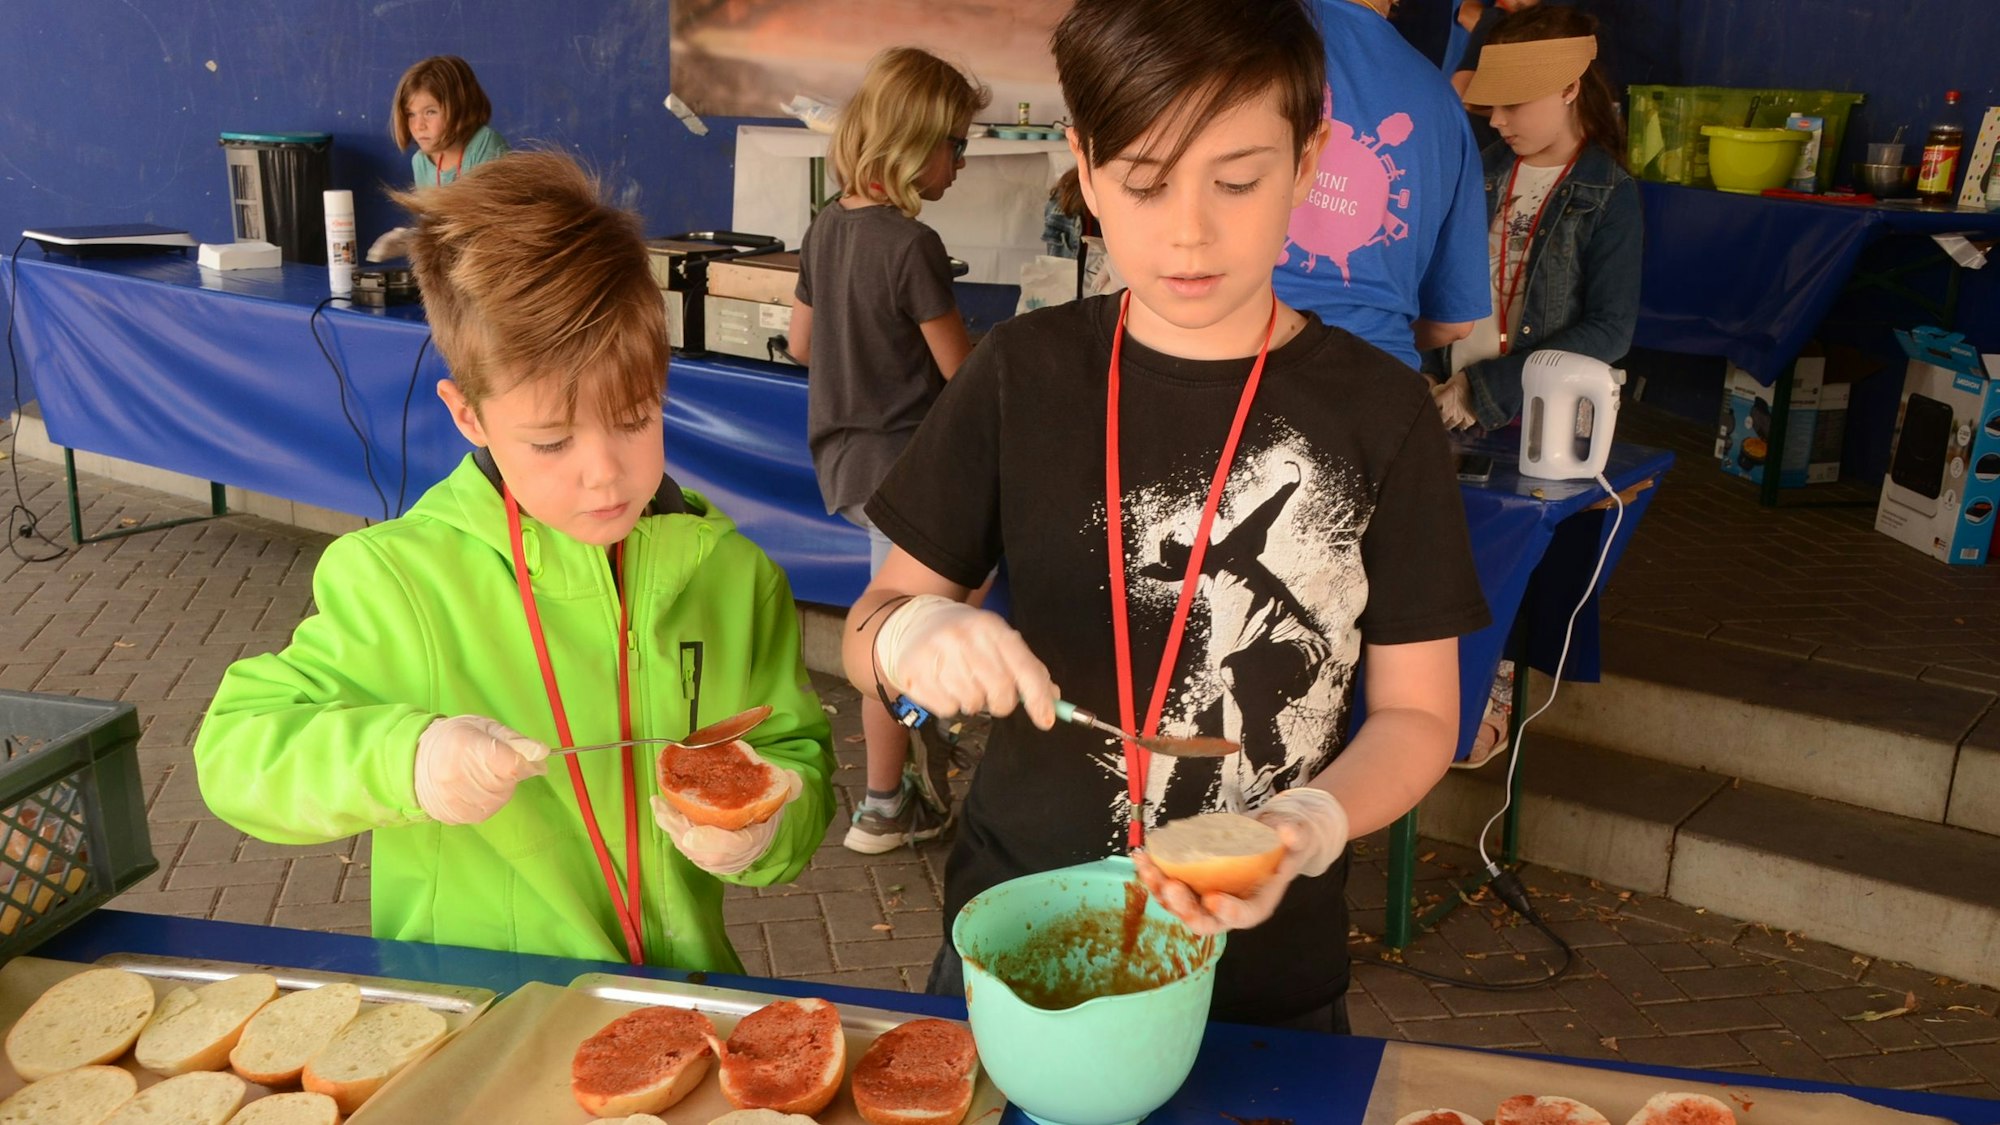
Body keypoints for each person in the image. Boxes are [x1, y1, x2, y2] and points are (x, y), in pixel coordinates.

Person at [842, 0, 1490, 1030]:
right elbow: (871, 621)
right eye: (1143, 183)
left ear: (1308, 157)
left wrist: (1307, 823)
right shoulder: (1021, 372)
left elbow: (1418, 713)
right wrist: (912, 634)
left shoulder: (1379, 410)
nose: (1189, 230)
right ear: (1086, 168)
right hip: (1015, 951)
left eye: (1236, 180)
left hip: (1261, 981)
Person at [194, 152, 835, 972]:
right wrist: (407, 761)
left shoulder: (737, 580)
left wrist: (772, 825)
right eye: (553, 440)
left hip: (682, 1010)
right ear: (468, 416)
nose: (604, 472)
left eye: (634, 418)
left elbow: (796, 754)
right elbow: (238, 750)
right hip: (482, 1020)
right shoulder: (398, 582)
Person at [786, 47, 989, 856]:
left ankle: (909, 754)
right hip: (907, 470)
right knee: (902, 634)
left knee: (902, 617)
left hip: (844, 464)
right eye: (957, 146)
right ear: (914, 145)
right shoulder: (913, 246)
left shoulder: (826, 224)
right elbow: (962, 376)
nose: (961, 163)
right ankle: (881, 801)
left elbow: (802, 344)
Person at [1430, 6, 1641, 435]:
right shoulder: (1479, 171)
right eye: (1492, 104)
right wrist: (1427, 374)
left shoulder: (1609, 192)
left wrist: (1485, 388)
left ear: (1569, 88)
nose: (1496, 120)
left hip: (1540, 419)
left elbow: (1611, 329)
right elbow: (1431, 281)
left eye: (1513, 103)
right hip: (1442, 405)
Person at [1271, 0, 1491, 371]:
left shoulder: (1240, 33)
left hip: (1232, 361)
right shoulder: (1442, 103)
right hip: (1378, 383)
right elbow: (1454, 323)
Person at [368, 55, 511, 261]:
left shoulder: (486, 143)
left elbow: (487, 227)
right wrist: (416, 237)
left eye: (430, 112)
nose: (419, 125)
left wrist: (414, 240)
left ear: (460, 107)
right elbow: (434, 226)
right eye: (411, 114)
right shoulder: (421, 162)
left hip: (490, 265)